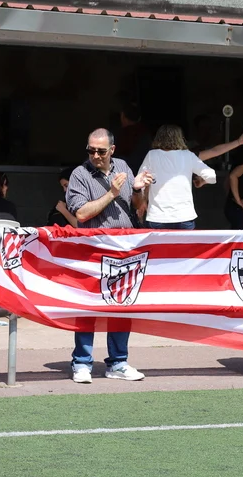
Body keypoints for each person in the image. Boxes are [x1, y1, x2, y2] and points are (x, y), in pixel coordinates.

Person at [65, 128, 155, 383]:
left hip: (124, 248)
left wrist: (137, 189)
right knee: (87, 307)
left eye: (101, 151)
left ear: (112, 150)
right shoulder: (80, 174)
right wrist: (112, 193)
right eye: (91, 150)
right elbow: (81, 213)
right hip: (93, 249)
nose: (95, 155)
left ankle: (118, 362)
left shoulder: (123, 167)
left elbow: (139, 207)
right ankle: (82, 363)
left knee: (121, 305)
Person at [137, 124, 216, 229]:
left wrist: (142, 201)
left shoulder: (152, 155)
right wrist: (202, 181)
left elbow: (140, 181)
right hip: (184, 216)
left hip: (158, 216)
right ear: (180, 138)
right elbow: (211, 176)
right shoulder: (188, 155)